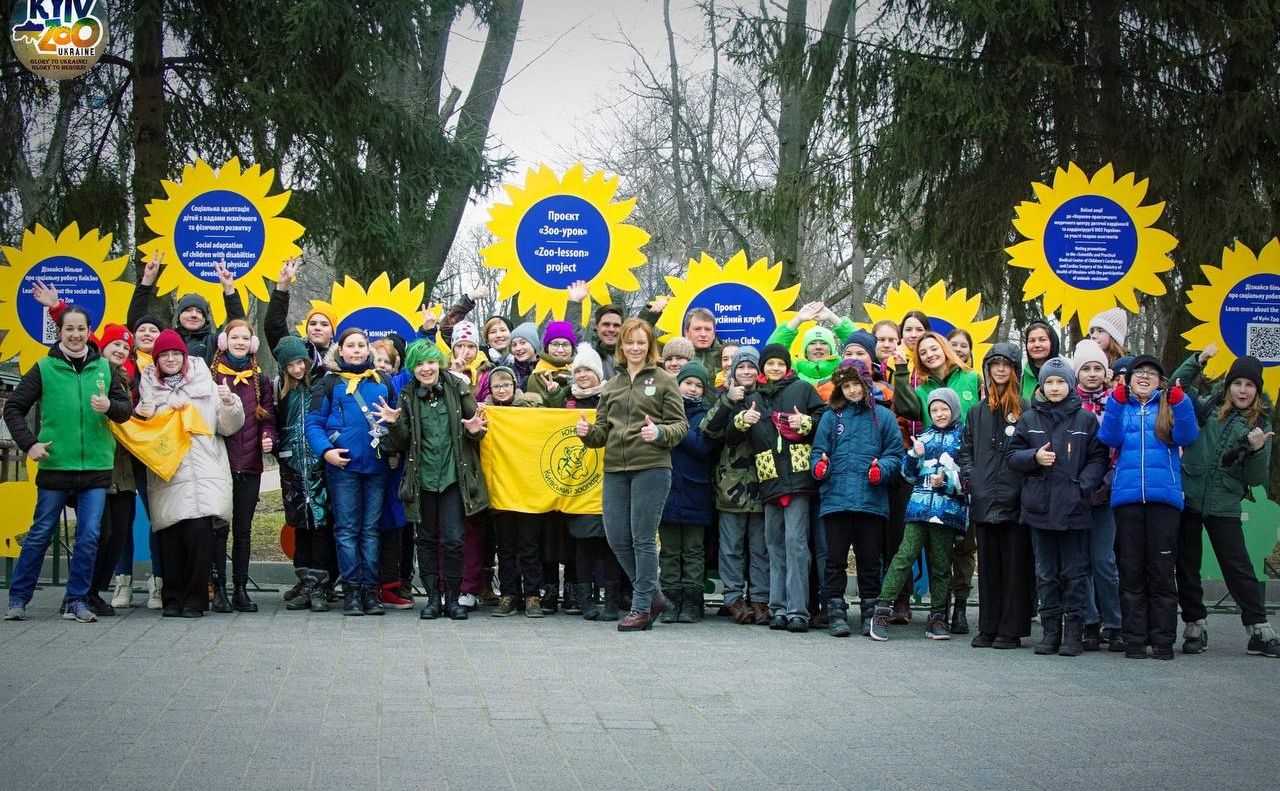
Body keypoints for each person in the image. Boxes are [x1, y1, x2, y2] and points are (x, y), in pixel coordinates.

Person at [4, 307, 133, 623]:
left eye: (81, 329)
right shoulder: (44, 368)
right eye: (69, 329)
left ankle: (76, 600)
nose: (75, 335)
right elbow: (14, 408)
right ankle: (18, 599)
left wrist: (109, 406)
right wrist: (30, 443)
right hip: (56, 466)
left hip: (96, 469)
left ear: (89, 331)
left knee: (89, 535)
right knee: (40, 533)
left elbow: (125, 411)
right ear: (59, 332)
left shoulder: (104, 368)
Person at [576, 318, 688, 631]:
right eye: (630, 342)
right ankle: (654, 596)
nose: (635, 348)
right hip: (615, 469)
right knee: (616, 538)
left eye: (641, 342)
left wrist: (660, 432)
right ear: (621, 346)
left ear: (649, 345)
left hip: (651, 467)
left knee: (642, 539)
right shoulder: (611, 385)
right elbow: (601, 433)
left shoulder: (664, 381)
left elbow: (680, 426)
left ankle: (641, 608)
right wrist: (587, 433)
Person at [1171, 347, 1280, 658]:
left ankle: (1258, 628)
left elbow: (1255, 478)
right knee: (1187, 565)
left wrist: (1257, 450)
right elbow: (1176, 388)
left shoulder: (1260, 423)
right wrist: (1196, 361)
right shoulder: (1208, 407)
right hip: (1190, 496)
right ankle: (1195, 625)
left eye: (1249, 385)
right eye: (1237, 384)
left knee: (1238, 566)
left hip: (1224, 503)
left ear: (1257, 390)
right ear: (1229, 385)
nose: (1242, 391)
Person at [137, 330, 245, 617]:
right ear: (156, 360)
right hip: (168, 473)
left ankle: (196, 600)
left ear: (184, 356)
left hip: (203, 470)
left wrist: (230, 403)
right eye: (164, 355)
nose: (171, 359)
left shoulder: (206, 384)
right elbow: (143, 432)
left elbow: (227, 426)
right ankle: (172, 599)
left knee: (199, 534)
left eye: (176, 354)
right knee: (170, 536)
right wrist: (149, 413)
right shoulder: (148, 390)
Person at [1098, 355, 1199, 659]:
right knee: (1130, 570)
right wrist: (1116, 403)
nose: (1144, 377)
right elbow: (1108, 437)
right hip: (1127, 500)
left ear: (1160, 382)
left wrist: (1182, 403)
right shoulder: (1122, 406)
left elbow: (1187, 435)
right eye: (1138, 372)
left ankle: (1163, 639)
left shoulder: (1167, 407)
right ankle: (1134, 639)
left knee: (1162, 570)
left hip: (1164, 500)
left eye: (1151, 373)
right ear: (1128, 380)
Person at [1007, 358, 1108, 657]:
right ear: (1041, 385)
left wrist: (1082, 486)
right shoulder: (1029, 419)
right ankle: (1050, 632)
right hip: (1039, 508)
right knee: (1046, 574)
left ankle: (1074, 633)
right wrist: (1034, 457)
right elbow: (1012, 456)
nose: (1054, 387)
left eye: (1060, 382)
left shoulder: (1086, 420)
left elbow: (1098, 458)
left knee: (1075, 574)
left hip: (1074, 509)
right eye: (1049, 382)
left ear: (1070, 385)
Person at [383, 341, 490, 621]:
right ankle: (432, 599)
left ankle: (453, 600)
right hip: (423, 479)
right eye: (419, 364)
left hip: (454, 477)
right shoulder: (407, 395)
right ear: (412, 368)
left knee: (454, 540)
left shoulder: (457, 387)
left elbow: (475, 427)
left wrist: (475, 431)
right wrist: (394, 423)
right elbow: (403, 441)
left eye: (430, 362)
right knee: (426, 540)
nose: (426, 368)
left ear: (439, 363)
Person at [726, 343, 826, 633]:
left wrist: (805, 422)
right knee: (774, 544)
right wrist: (741, 421)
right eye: (770, 364)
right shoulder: (752, 397)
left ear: (787, 366)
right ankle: (778, 608)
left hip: (798, 477)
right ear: (763, 368)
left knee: (796, 543)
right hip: (768, 477)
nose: (775, 368)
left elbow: (824, 421)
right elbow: (730, 437)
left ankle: (798, 611)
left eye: (780, 364)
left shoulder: (803, 389)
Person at [891, 330, 981, 632]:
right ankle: (939, 610)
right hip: (935, 476)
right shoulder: (923, 388)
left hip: (969, 467)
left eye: (934, 348)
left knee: (964, 546)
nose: (930, 354)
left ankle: (959, 606)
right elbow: (907, 408)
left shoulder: (971, 378)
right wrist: (901, 370)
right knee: (939, 549)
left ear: (944, 348)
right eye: (923, 352)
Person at [306, 328, 397, 616]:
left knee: (370, 530)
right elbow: (314, 422)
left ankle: (370, 590)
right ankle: (352, 590)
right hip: (343, 468)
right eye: (351, 346)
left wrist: (395, 449)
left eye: (361, 345)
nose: (356, 350)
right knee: (346, 530)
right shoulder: (329, 383)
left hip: (376, 468)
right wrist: (326, 451)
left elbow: (397, 419)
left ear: (368, 350)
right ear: (340, 350)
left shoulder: (383, 381)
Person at [811, 360, 905, 637]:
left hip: (871, 500)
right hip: (836, 498)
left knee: (869, 560)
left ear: (867, 384)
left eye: (856, 385)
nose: (852, 390)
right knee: (834, 559)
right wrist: (819, 466)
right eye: (846, 386)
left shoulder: (883, 417)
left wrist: (882, 470)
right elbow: (818, 450)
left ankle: (870, 613)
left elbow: (895, 455)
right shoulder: (832, 417)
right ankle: (835, 612)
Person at [870, 388, 967, 642]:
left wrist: (946, 482)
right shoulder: (923, 436)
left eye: (944, 409)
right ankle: (882, 609)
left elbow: (968, 477)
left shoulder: (964, 437)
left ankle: (937, 616)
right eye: (934, 409)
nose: (939, 414)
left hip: (947, 511)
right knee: (903, 557)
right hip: (918, 508)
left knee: (941, 564)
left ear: (954, 410)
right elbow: (909, 475)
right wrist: (914, 455)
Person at [958, 343, 1034, 649]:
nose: (1000, 370)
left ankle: (1010, 629)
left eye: (1006, 365)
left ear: (1014, 370)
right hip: (984, 498)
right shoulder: (977, 411)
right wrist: (971, 478)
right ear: (987, 369)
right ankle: (988, 626)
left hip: (1016, 499)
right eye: (995, 365)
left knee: (1015, 566)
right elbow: (966, 450)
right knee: (988, 566)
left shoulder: (1026, 409)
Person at [209, 318, 276, 613]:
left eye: (245, 338)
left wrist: (268, 436)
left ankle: (240, 588)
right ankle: (218, 588)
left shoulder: (261, 380)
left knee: (243, 529)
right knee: (218, 529)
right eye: (234, 337)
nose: (239, 342)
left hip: (249, 465)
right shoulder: (211, 376)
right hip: (219, 465)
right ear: (224, 342)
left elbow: (268, 418)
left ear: (252, 344)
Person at [702, 347, 771, 626]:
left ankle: (760, 599)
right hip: (730, 486)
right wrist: (728, 401)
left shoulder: (767, 397)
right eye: (740, 367)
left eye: (751, 366)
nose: (746, 371)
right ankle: (733, 599)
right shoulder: (724, 397)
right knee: (730, 547)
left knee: (760, 548)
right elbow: (707, 429)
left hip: (763, 484)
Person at [273, 336, 335, 612]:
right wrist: (276, 446)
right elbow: (275, 423)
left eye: (301, 362)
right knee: (300, 524)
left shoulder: (320, 383)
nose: (297, 369)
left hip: (319, 463)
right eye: (291, 365)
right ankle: (305, 579)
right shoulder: (280, 389)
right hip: (293, 466)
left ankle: (320, 583)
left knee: (320, 523)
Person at [563, 346, 625, 621]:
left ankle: (612, 600)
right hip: (578, 484)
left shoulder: (610, 397)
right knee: (584, 544)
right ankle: (585, 600)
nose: (583, 375)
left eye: (588, 369)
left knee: (612, 543)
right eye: (578, 370)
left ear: (598, 373)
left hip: (610, 479)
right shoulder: (564, 400)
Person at [1072, 339, 1124, 651]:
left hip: (1107, 492)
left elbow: (1120, 444)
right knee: (1079, 563)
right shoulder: (1070, 404)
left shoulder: (1116, 403)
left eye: (1097, 368)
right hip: (1076, 493)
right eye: (1086, 368)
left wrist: (1109, 477)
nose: (1092, 374)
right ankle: (1089, 621)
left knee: (1103, 560)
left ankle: (1114, 623)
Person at [485, 364, 548, 617]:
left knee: (529, 545)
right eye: (496, 386)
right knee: (506, 547)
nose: (501, 390)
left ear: (515, 385)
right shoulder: (485, 412)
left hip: (527, 488)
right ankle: (509, 594)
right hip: (501, 489)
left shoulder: (532, 409)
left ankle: (533, 595)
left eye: (506, 385)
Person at [657, 361, 717, 624]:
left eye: (698, 385)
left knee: (693, 549)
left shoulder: (706, 415)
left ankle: (692, 601)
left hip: (696, 490)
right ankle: (670, 600)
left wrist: (675, 427)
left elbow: (702, 446)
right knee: (669, 549)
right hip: (667, 489)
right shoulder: (662, 411)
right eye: (687, 383)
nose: (692, 389)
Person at [90, 324, 139, 616]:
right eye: (115, 345)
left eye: (125, 347)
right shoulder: (92, 373)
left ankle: (96, 591)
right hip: (98, 468)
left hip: (124, 471)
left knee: (118, 534)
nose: (120, 350)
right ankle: (81, 591)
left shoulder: (124, 379)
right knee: (99, 534)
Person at [129, 251, 245, 366]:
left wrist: (229, 289)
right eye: (188, 310)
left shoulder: (215, 343)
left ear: (205, 318)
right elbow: (136, 324)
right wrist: (146, 282)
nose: (193, 315)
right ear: (179, 315)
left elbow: (240, 328)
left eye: (199, 312)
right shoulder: (166, 339)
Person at [264, 259, 334, 374]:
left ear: (333, 332)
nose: (317, 327)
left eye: (324, 324)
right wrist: (282, 287)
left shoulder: (342, 358)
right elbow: (274, 327)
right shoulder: (293, 349)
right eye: (313, 323)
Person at [765, 300, 857, 386]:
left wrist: (831, 317)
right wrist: (797, 319)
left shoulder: (846, 370)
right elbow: (773, 350)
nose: (818, 347)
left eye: (824, 343)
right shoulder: (793, 372)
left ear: (832, 349)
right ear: (805, 350)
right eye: (812, 343)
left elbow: (860, 343)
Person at [1020, 319, 1059, 400]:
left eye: (1042, 340)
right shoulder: (1020, 375)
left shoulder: (1067, 374)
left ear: (1052, 342)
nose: (1037, 345)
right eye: (1032, 341)